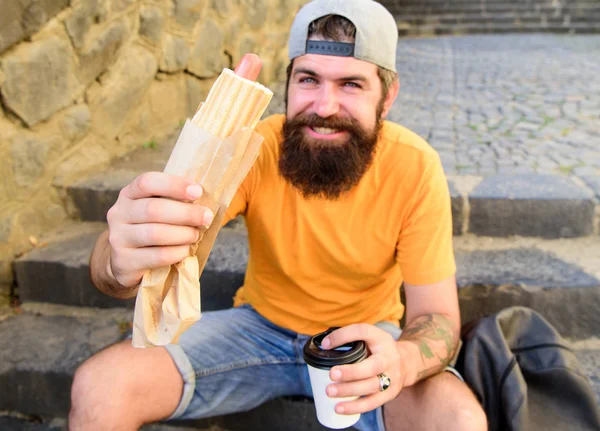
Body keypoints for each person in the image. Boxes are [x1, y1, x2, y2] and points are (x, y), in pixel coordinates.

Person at [70, 0, 487, 430]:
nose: (325, 106)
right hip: (258, 329)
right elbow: (153, 245)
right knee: (100, 386)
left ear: (388, 96)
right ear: (288, 82)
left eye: (351, 84)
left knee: (456, 418)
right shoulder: (257, 147)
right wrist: (121, 258)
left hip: (362, 341)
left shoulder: (415, 166)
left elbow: (436, 317)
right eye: (309, 79)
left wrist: (400, 360)